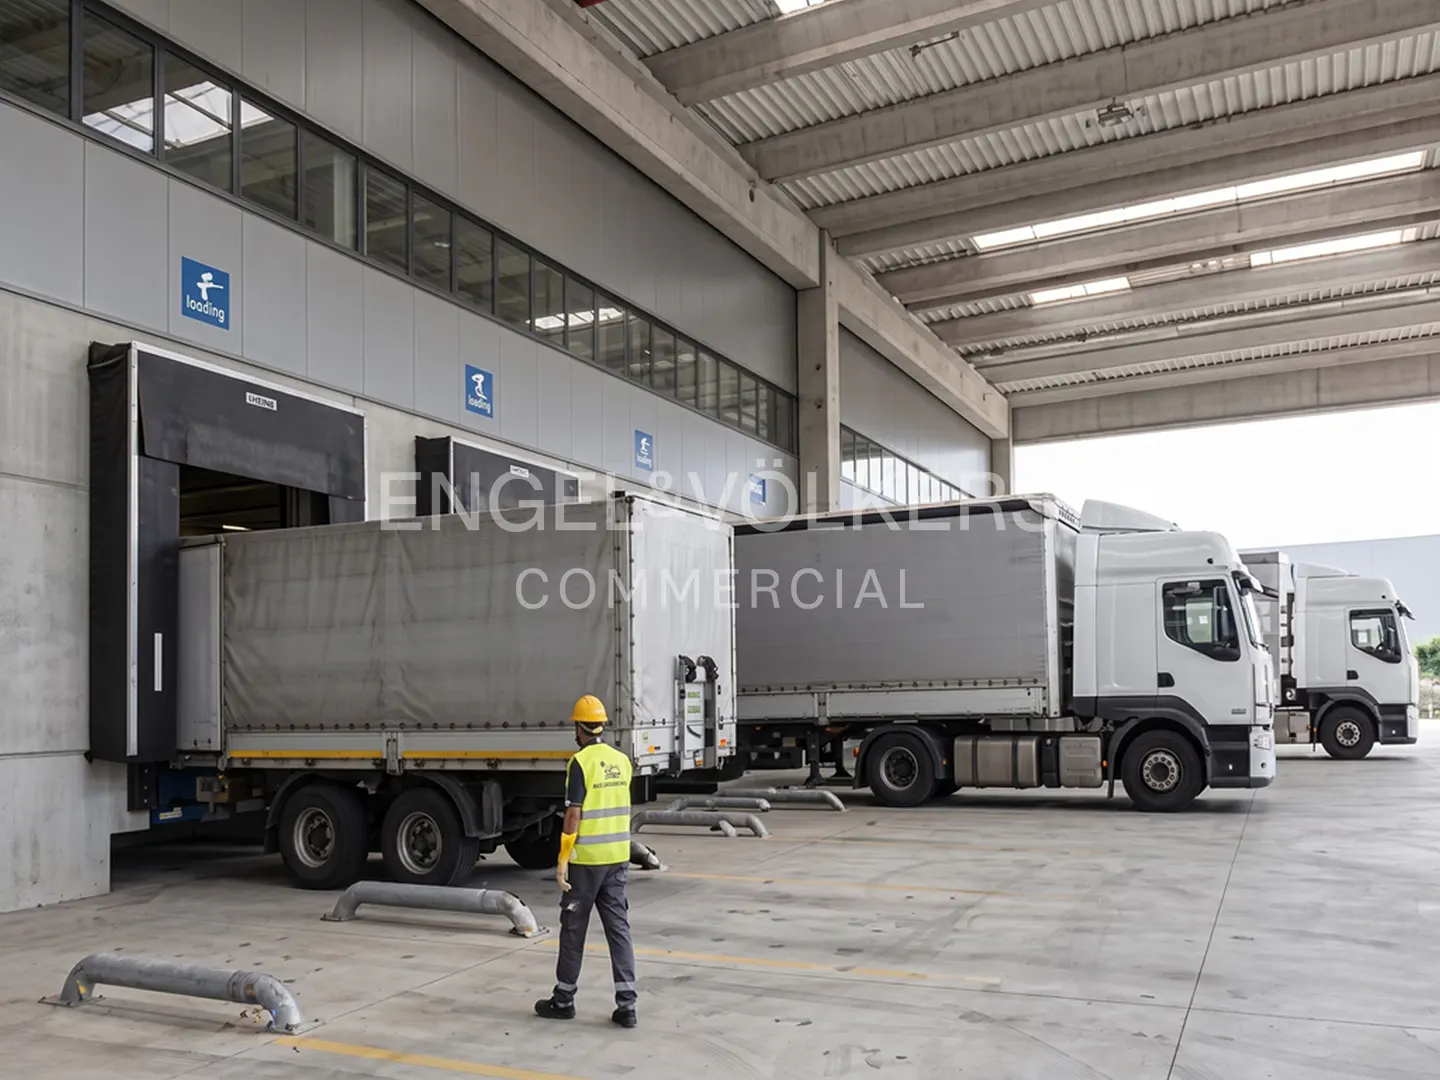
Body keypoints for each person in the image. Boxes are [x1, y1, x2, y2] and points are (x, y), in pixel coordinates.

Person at [534, 694, 638, 1028]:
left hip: (587, 862)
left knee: (574, 931)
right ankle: (627, 1005)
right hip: (618, 858)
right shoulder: (622, 761)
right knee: (619, 930)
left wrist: (563, 857)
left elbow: (573, 813)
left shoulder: (580, 763)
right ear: (602, 726)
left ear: (580, 728)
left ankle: (564, 999)